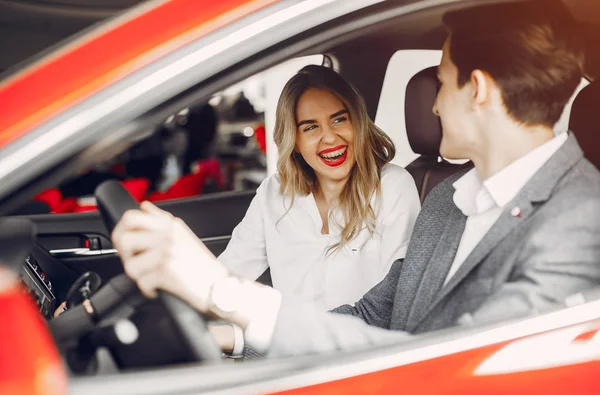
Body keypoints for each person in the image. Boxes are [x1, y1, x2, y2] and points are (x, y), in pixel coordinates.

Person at [111, 0, 600, 359]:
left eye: (443, 83)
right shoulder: (449, 203)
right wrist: (233, 336)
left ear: (478, 91)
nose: (431, 105)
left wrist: (223, 292)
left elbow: (447, 366)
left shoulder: (580, 223)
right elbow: (372, 316)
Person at [217, 65, 420, 311]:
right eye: (311, 127)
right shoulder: (276, 191)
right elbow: (228, 277)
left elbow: (394, 301)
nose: (331, 138)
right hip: (291, 346)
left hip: (365, 345)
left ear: (357, 123)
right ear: (295, 142)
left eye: (339, 120)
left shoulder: (393, 186)